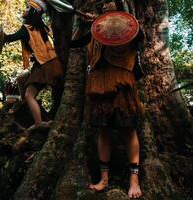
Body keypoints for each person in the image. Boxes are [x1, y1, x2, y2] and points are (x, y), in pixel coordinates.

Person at [71, 0, 144, 198]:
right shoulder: (95, 29)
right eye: (103, 4)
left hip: (122, 82)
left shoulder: (133, 27)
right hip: (98, 84)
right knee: (103, 131)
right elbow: (75, 43)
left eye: (110, 3)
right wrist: (87, 24)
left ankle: (134, 180)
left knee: (129, 129)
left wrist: (117, 25)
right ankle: (104, 179)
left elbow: (139, 38)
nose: (106, 5)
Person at [0, 0, 64, 124]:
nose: (25, 9)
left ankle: (39, 124)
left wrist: (3, 38)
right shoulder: (41, 28)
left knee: (29, 95)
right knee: (21, 79)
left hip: (45, 65)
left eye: (28, 8)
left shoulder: (28, 29)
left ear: (33, 12)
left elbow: (10, 38)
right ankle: (25, 106)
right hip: (49, 63)